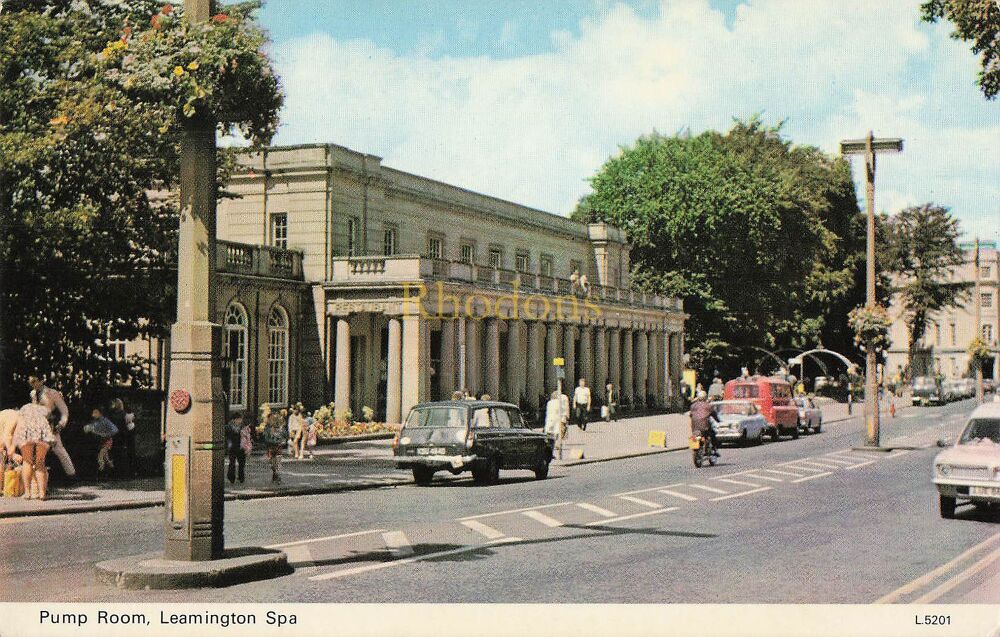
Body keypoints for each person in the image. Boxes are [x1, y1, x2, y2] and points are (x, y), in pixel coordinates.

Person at [28, 375, 76, 482]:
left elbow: (64, 410)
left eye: (35, 381)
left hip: (50, 425)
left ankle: (71, 475)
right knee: (37, 450)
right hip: (37, 425)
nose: (32, 384)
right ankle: (38, 479)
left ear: (41, 381)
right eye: (31, 382)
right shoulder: (32, 394)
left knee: (58, 450)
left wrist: (62, 423)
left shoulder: (52, 393)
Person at [14, 403, 55, 499]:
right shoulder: (46, 408)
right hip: (43, 429)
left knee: (27, 461)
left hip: (26, 429)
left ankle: (28, 493)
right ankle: (42, 494)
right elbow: (51, 423)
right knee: (40, 462)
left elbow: (19, 423)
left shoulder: (24, 407)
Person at [84, 407, 118, 475]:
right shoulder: (94, 422)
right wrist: (87, 429)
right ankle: (112, 467)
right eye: (93, 413)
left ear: (100, 413)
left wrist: (106, 435)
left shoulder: (106, 421)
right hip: (101, 441)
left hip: (107, 440)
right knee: (106, 457)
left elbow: (115, 429)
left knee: (101, 454)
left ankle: (101, 466)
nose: (93, 415)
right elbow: (90, 430)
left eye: (95, 413)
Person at [689, 392, 720, 458]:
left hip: (695, 427)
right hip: (705, 426)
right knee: (712, 434)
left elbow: (691, 415)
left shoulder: (693, 406)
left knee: (695, 436)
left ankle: (699, 447)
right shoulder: (708, 406)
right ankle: (714, 449)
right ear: (705, 398)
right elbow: (714, 414)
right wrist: (718, 421)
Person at [262, 409, 288, 484]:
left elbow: (285, 437)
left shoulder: (282, 429)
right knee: (272, 463)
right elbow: (266, 438)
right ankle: (275, 474)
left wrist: (282, 442)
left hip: (278, 448)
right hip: (271, 448)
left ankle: (277, 476)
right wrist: (275, 442)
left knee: (278, 462)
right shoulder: (268, 429)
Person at [225, 411, 250, 484]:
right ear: (233, 420)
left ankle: (241, 477)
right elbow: (226, 437)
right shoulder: (228, 427)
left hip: (241, 447)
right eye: (238, 419)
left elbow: (247, 436)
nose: (240, 421)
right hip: (232, 447)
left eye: (240, 419)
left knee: (242, 464)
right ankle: (231, 477)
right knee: (232, 463)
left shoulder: (243, 427)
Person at [544, 390, 564, 456]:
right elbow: (562, 412)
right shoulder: (560, 403)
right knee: (555, 437)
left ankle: (548, 453)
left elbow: (547, 413)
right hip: (557, 421)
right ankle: (554, 449)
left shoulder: (549, 403)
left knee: (548, 436)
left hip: (549, 420)